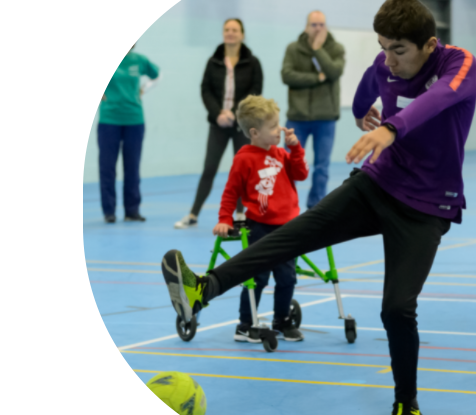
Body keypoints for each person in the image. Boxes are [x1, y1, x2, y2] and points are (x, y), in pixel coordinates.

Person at [161, 0, 476, 413]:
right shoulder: (384, 67)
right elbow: (367, 91)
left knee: (397, 308)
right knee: (295, 233)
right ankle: (204, 289)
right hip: (379, 184)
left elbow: (436, 100)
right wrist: (366, 115)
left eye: (398, 49)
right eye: (382, 47)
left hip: (428, 206)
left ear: (429, 45)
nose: (388, 60)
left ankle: (406, 403)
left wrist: (389, 129)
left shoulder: (460, 64)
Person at [213, 95, 309, 342]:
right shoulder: (244, 159)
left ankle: (282, 320)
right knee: (258, 277)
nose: (280, 129)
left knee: (287, 277)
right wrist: (225, 218)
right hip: (261, 228)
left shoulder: (281, 153)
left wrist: (295, 148)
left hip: (288, 227)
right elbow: (230, 191)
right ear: (254, 132)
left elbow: (301, 173)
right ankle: (245, 324)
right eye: (274, 127)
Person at [174, 18, 263, 229]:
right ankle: (193, 214)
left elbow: (255, 91)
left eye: (234, 30)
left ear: (242, 34)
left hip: (242, 124)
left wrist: (234, 113)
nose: (230, 33)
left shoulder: (253, 62)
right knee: (209, 168)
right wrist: (218, 114)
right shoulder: (213, 61)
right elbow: (205, 90)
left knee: (242, 170)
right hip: (218, 124)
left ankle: (241, 215)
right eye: (227, 30)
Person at [281, 10, 345, 210]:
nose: (318, 29)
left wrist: (318, 49)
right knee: (288, 164)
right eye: (313, 25)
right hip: (297, 118)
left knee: (321, 167)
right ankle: (286, 205)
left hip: (325, 118)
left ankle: (315, 207)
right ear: (306, 27)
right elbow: (287, 75)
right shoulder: (293, 49)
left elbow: (334, 72)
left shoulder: (336, 48)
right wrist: (316, 79)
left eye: (321, 25)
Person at [98, 43, 159, 223]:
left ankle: (132, 210)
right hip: (109, 120)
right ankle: (109, 210)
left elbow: (157, 75)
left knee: (132, 166)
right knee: (107, 167)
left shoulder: (139, 60)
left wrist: (144, 89)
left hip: (134, 119)